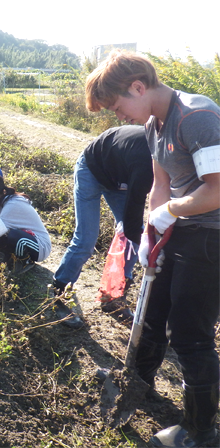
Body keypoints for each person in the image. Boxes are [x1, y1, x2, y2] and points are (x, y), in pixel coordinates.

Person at [86, 49, 220, 448]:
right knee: (153, 312)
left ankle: (202, 432)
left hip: (211, 238)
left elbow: (217, 189)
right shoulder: (153, 125)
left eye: (116, 105)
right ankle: (136, 384)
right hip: (182, 229)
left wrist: (172, 211)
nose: (118, 115)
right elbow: (160, 184)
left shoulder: (197, 116)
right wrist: (150, 230)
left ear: (138, 86)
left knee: (190, 336)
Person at [51, 125, 153, 328]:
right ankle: (58, 296)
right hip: (92, 168)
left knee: (134, 236)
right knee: (86, 239)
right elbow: (137, 204)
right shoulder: (147, 161)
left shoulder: (170, 160)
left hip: (120, 177)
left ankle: (113, 297)